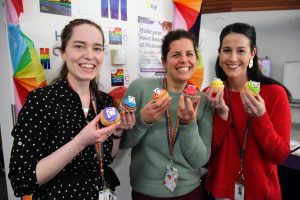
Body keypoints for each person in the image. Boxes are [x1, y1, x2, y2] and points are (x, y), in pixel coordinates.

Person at [8, 18, 135, 199]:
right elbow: (21, 180)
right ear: (63, 53)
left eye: (97, 48)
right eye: (79, 46)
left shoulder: (104, 101)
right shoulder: (41, 101)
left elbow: (107, 158)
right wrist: (80, 142)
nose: (90, 55)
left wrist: (117, 132)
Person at [120, 29, 213, 199]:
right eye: (176, 54)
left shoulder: (203, 101)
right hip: (145, 191)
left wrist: (188, 125)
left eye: (189, 54)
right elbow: (123, 141)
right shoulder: (140, 88)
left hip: (189, 192)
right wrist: (143, 121)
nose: (184, 60)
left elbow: (200, 160)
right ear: (164, 61)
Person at [204, 22, 292, 200]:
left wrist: (260, 117)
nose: (232, 58)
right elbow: (206, 154)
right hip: (219, 191)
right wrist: (221, 116)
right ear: (220, 54)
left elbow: (280, 155)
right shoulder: (210, 94)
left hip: (260, 192)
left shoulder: (274, 93)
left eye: (241, 51)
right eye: (226, 50)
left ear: (252, 53)